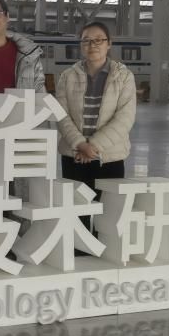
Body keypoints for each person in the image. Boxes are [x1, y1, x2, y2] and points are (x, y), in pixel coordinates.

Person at [54, 21, 136, 227]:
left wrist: (94, 146)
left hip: (109, 158)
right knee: (76, 215)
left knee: (107, 217)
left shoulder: (124, 76)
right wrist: (80, 144)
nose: (93, 45)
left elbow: (125, 117)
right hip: (74, 156)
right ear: (81, 45)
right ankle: (78, 246)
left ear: (109, 43)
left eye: (99, 40)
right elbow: (61, 115)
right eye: (87, 40)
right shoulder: (67, 76)